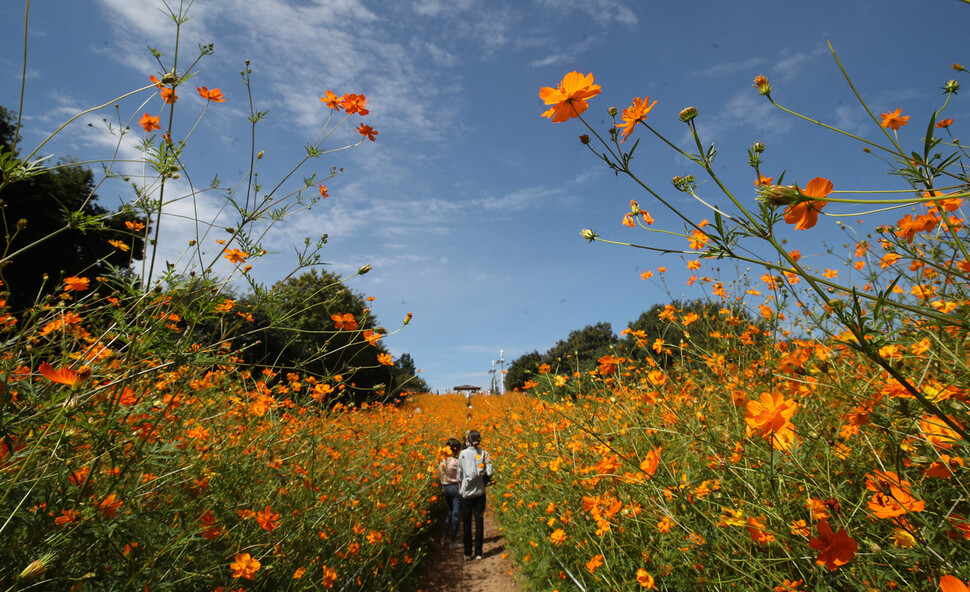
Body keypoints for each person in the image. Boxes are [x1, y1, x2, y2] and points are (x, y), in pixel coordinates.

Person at [457, 429, 494, 560]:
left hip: (466, 494)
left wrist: (460, 489)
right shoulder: (484, 453)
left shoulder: (462, 454)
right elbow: (490, 472)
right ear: (480, 440)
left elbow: (459, 474)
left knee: (467, 523)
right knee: (479, 521)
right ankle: (479, 552)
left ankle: (467, 553)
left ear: (468, 440)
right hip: (479, 493)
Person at [437, 438, 462, 547]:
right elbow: (461, 477)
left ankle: (444, 538)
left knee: (450, 512)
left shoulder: (441, 460)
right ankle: (453, 541)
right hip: (455, 488)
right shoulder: (456, 462)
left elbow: (438, 475)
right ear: (456, 450)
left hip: (445, 488)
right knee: (456, 514)